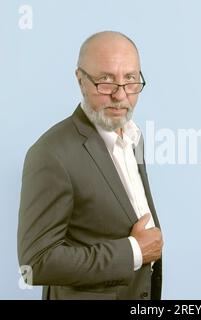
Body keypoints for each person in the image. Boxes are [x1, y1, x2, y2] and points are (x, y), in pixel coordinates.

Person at [17, 31, 163, 300]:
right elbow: (34, 265)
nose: (121, 96)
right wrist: (134, 251)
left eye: (130, 80)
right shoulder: (50, 154)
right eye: (105, 81)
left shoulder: (133, 136)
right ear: (81, 80)